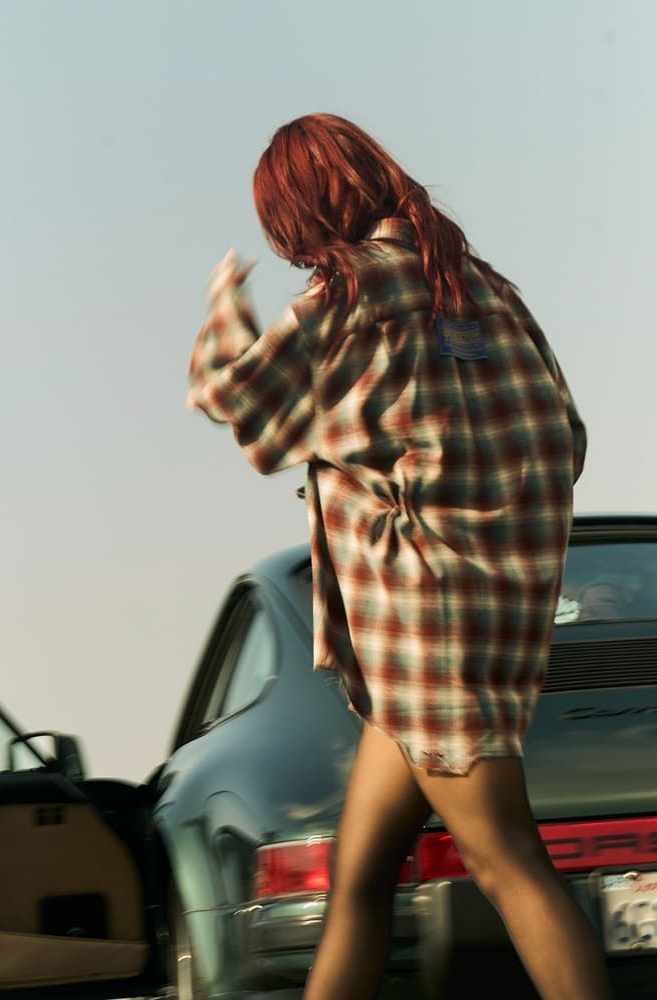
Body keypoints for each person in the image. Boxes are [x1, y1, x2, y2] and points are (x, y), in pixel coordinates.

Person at [187, 114, 609, 999]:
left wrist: (226, 305)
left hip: (424, 631)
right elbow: (564, 437)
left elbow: (244, 408)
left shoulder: (349, 293)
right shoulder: (483, 289)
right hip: (486, 628)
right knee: (363, 877)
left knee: (506, 861)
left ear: (305, 207)